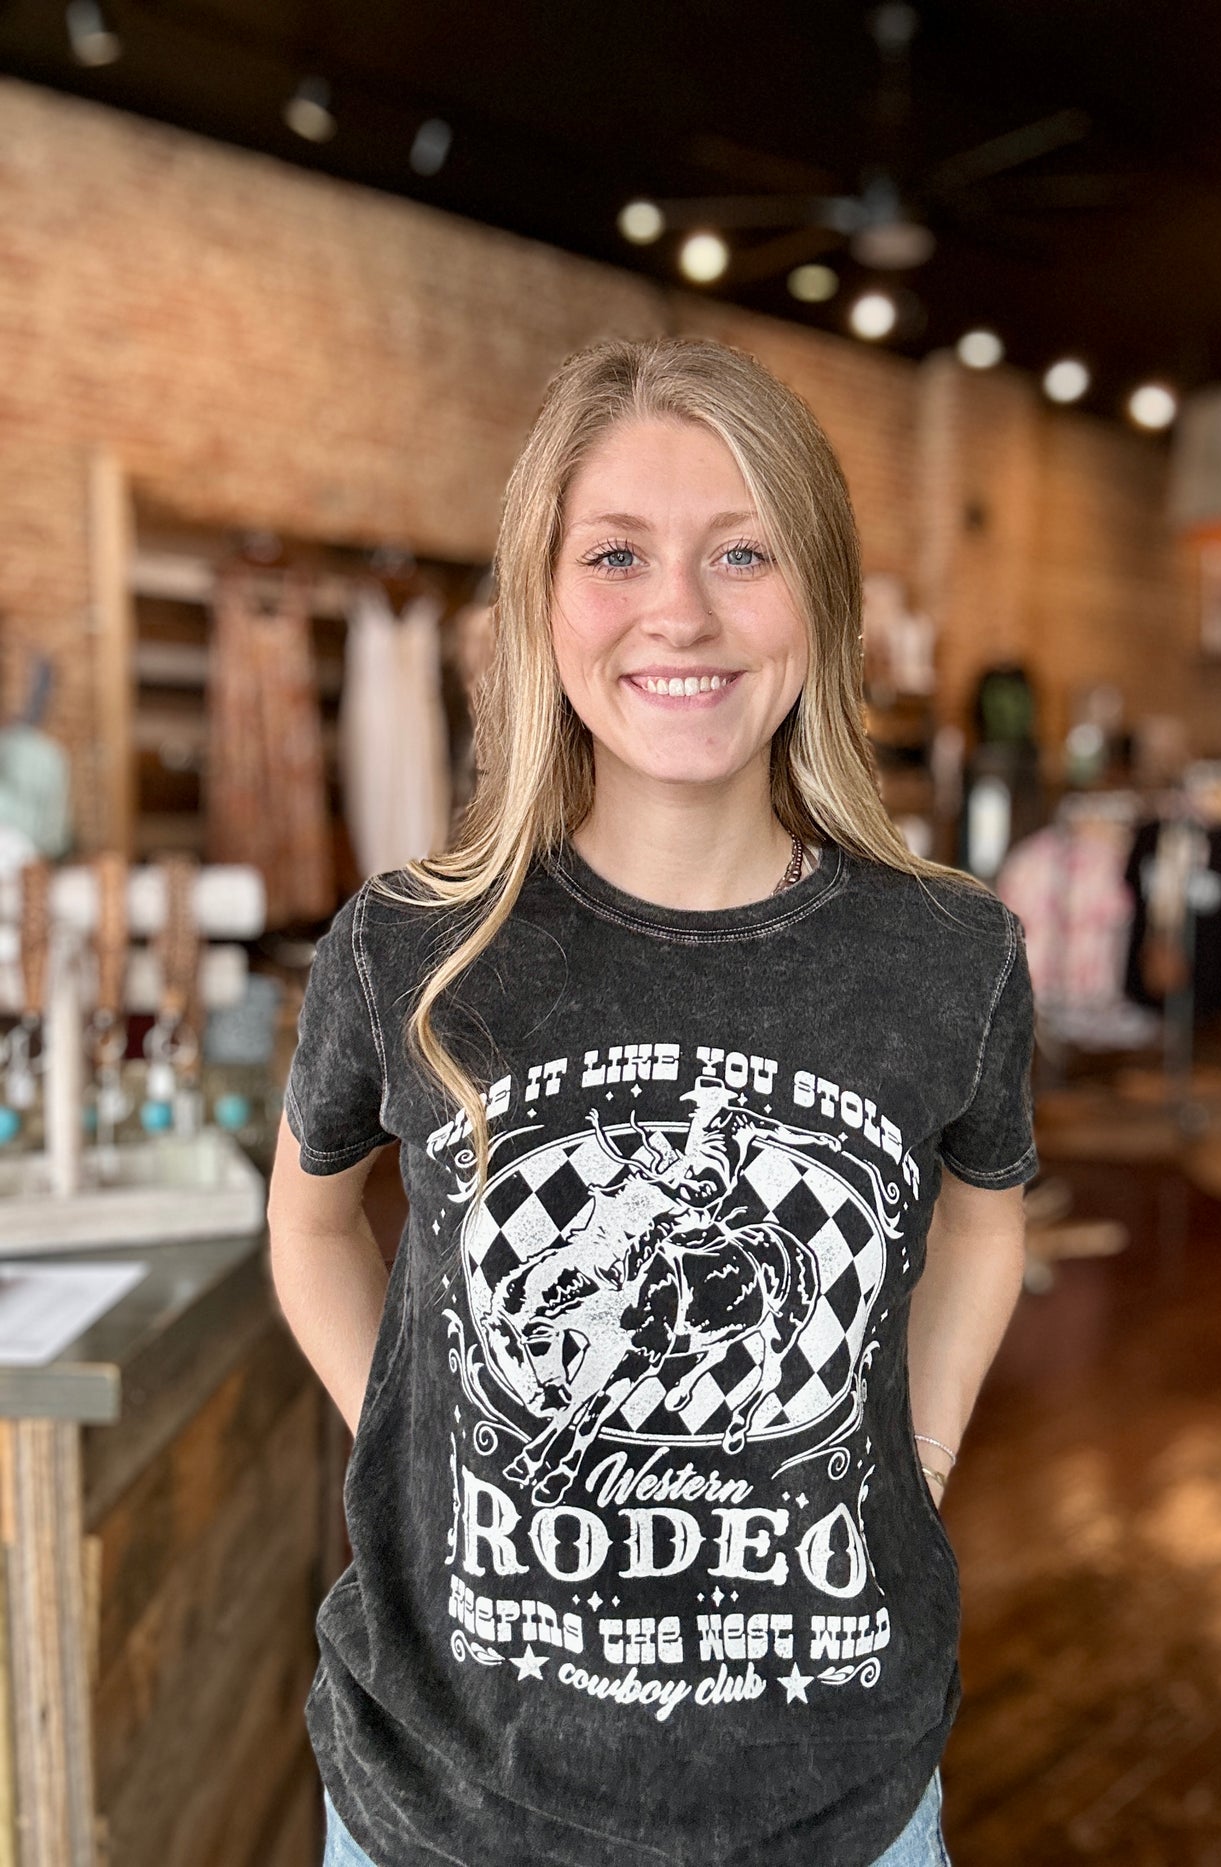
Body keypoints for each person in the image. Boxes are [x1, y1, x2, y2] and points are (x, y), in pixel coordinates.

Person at [267, 334, 1037, 1867]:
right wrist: (419, 1440)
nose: (678, 610)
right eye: (616, 554)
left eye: (742, 550)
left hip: (836, 1803)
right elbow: (308, 1225)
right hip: (447, 1805)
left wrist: (918, 1466)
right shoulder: (412, 944)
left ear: (819, 594)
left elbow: (991, 1219)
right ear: (540, 601)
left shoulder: (948, 953)